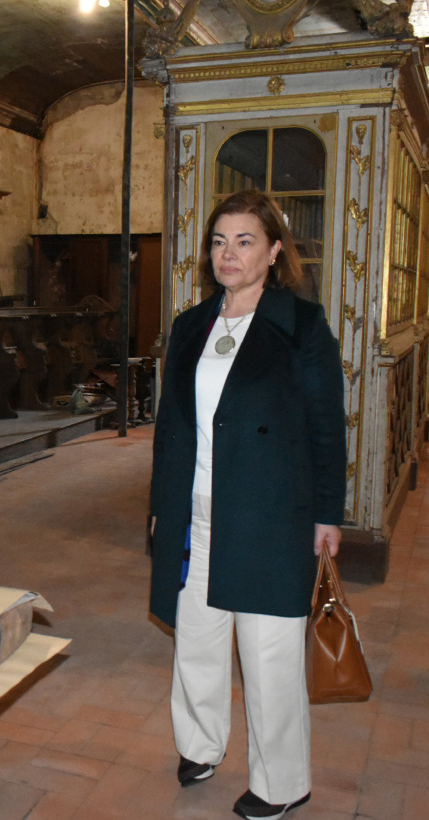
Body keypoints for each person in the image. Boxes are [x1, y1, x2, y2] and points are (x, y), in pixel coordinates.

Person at [148, 189, 347, 820]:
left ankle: (282, 782)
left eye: (244, 241)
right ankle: (200, 745)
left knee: (268, 654)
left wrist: (327, 514)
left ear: (274, 251)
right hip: (195, 512)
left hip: (268, 514)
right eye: (218, 241)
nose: (228, 254)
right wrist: (160, 504)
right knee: (197, 640)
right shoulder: (191, 325)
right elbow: (170, 426)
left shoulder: (301, 325)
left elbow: (326, 427)